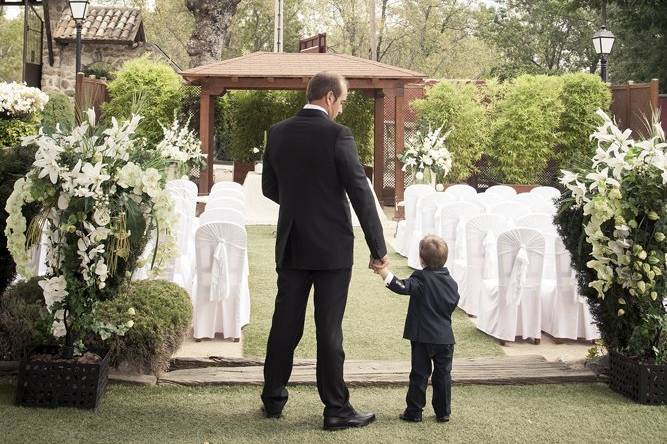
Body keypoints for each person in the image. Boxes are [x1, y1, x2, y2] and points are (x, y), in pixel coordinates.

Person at [261, 71, 388, 430]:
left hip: (291, 244)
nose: (342, 109)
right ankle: (336, 409)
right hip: (332, 249)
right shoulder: (338, 135)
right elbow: (360, 193)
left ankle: (273, 400)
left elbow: (270, 187)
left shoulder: (278, 132)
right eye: (343, 101)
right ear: (330, 97)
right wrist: (378, 248)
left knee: (284, 324)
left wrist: (300, 204)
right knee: (328, 329)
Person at [373, 234, 459, 423]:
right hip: (445, 339)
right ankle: (443, 412)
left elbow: (401, 286)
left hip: (422, 338)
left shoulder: (421, 278)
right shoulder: (452, 282)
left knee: (419, 374)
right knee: (443, 376)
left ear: (421, 259)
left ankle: (414, 412)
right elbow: (453, 303)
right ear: (445, 258)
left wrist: (383, 272)